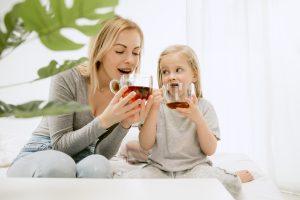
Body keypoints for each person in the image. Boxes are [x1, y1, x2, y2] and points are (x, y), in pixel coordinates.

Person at [7, 16, 151, 178]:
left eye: (136, 53)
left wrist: (124, 124)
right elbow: (60, 146)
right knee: (60, 164)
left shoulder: (122, 93)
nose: (131, 60)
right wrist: (104, 120)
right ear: (100, 50)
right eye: (119, 51)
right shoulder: (67, 77)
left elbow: (101, 152)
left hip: (82, 158)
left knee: (100, 165)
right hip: (43, 151)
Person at [121, 45, 253, 199]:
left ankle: (233, 176)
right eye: (165, 72)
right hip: (159, 169)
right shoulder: (156, 106)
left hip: (194, 169)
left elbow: (210, 150)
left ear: (194, 75)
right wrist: (154, 109)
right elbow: (145, 145)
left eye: (178, 70)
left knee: (231, 186)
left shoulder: (204, 107)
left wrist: (198, 119)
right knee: (126, 184)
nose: (171, 76)